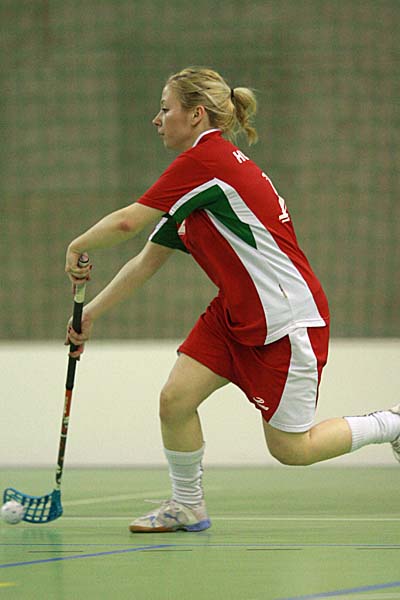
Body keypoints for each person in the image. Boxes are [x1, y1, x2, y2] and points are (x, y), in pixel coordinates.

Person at [65, 67, 400, 533]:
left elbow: (127, 223)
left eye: (165, 109)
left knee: (292, 449)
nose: (156, 120)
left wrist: (77, 245)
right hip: (234, 313)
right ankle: (188, 505)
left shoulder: (208, 160)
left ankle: (391, 423)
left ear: (196, 115)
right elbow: (145, 262)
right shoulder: (194, 182)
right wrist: (90, 316)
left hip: (285, 319)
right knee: (175, 400)